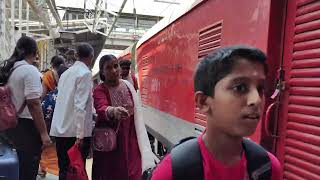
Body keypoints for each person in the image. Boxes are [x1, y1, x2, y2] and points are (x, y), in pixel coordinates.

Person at [151, 46, 281, 180]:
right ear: (203, 102)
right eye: (240, 88)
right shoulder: (172, 172)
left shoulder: (268, 168)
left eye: (260, 88)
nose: (257, 99)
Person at [92, 55, 155, 180]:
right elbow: (101, 106)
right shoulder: (100, 89)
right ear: (102, 72)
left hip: (131, 140)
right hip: (111, 142)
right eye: (108, 68)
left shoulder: (128, 85)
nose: (114, 70)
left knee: (134, 172)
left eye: (116, 66)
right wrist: (113, 111)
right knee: (112, 174)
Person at [3, 36, 51, 180]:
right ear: (34, 52)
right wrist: (44, 134)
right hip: (27, 128)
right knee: (28, 171)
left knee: (17, 170)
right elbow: (33, 103)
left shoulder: (9, 70)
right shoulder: (29, 70)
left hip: (9, 126)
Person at [50, 43, 94, 180]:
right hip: (75, 134)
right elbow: (79, 106)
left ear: (76, 56)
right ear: (91, 57)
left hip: (60, 131)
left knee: (64, 169)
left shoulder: (65, 74)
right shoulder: (85, 74)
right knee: (76, 170)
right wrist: (80, 135)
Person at [39, 65, 69, 177]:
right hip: (69, 143)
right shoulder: (77, 96)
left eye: (43, 84)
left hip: (52, 144)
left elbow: (44, 120)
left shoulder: (51, 98)